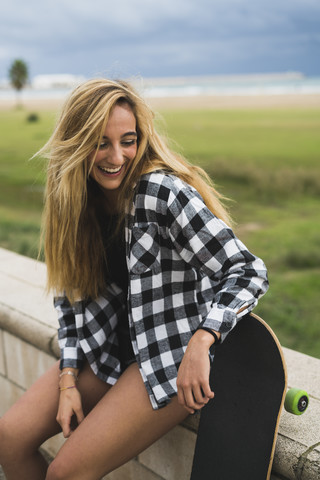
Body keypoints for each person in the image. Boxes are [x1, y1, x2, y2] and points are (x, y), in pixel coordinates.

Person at [0, 78, 268, 480]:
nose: (116, 156)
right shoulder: (75, 202)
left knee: (65, 473)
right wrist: (68, 380)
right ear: (76, 143)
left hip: (166, 359)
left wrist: (202, 340)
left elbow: (248, 270)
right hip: (109, 353)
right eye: (100, 142)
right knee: (8, 436)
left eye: (128, 140)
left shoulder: (160, 193)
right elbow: (69, 301)